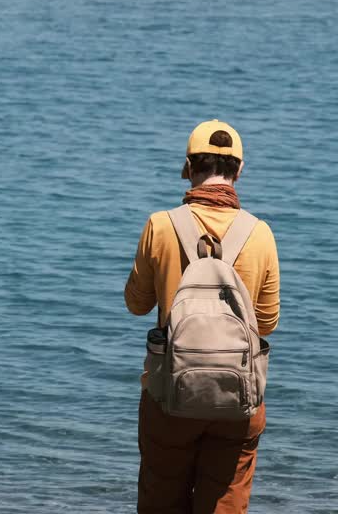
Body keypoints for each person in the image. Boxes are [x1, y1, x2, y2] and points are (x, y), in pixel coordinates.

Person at [125, 119, 281, 514]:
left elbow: (136, 304)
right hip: (238, 398)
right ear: (239, 171)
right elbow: (266, 323)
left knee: (161, 501)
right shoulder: (260, 233)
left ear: (188, 166)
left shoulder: (160, 226)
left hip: (169, 393)